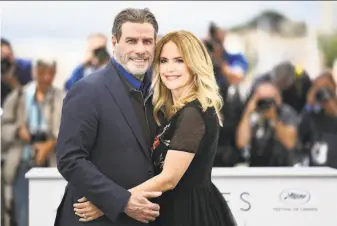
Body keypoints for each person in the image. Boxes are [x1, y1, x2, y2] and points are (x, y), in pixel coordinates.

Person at [74, 30, 237, 226]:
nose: (169, 68)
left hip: (187, 214)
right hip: (173, 209)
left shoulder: (193, 113)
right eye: (163, 60)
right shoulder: (178, 110)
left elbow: (168, 179)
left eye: (179, 60)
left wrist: (110, 202)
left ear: (194, 64)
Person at [54, 8, 162, 226]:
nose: (140, 49)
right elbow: (70, 159)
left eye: (147, 41)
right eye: (131, 41)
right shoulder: (87, 90)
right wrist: (121, 201)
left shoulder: (160, 91)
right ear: (114, 42)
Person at [2, 57, 64, 226]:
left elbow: (70, 130)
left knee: (50, 216)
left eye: (50, 73)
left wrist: (50, 144)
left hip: (51, 165)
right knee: (24, 217)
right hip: (22, 164)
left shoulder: (61, 98)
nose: (46, 78)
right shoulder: (18, 97)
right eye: (42, 72)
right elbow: (3, 129)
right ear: (34, 72)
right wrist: (17, 130)